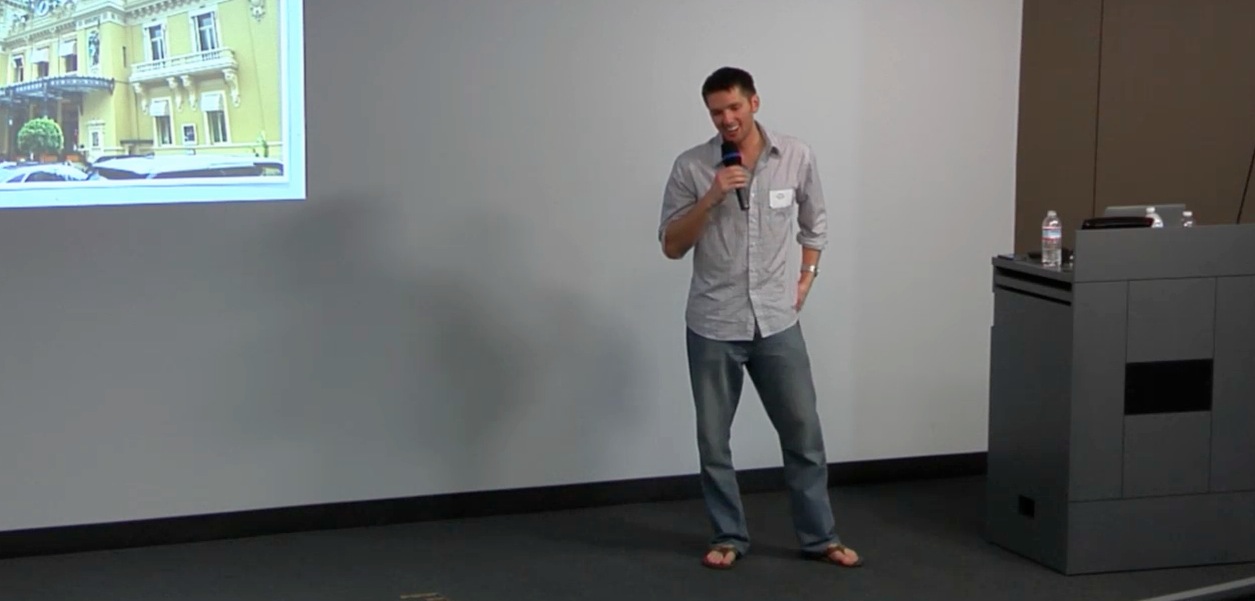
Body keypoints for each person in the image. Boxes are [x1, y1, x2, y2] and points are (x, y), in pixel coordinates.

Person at [657, 66, 862, 570]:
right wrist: (711, 197)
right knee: (714, 442)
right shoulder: (691, 166)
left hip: (776, 322)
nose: (726, 119)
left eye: (733, 107)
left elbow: (815, 224)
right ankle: (728, 536)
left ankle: (820, 538)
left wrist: (806, 277)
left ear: (754, 102)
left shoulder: (795, 155)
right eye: (716, 112)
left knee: (804, 435)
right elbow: (671, 245)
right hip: (713, 323)